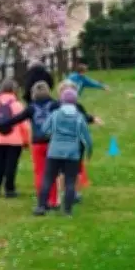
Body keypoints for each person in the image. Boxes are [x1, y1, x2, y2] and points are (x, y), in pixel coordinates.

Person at [0, 80, 99, 209]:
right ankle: (55, 201)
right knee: (54, 174)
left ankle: (42, 201)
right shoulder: (55, 105)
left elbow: (16, 119)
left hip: (37, 144)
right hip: (52, 143)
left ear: (33, 94)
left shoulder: (31, 108)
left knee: (40, 173)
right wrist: (91, 118)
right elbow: (75, 114)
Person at [33, 88, 92, 217]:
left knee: (48, 178)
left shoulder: (55, 114)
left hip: (54, 151)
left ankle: (41, 207)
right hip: (72, 153)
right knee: (70, 181)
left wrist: (48, 135)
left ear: (62, 100)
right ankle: (67, 211)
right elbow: (87, 138)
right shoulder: (79, 117)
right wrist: (89, 153)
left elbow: (44, 130)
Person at [0, 79, 30, 198]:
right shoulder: (17, 105)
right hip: (15, 140)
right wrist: (26, 141)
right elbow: (24, 126)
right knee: (11, 166)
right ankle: (9, 189)